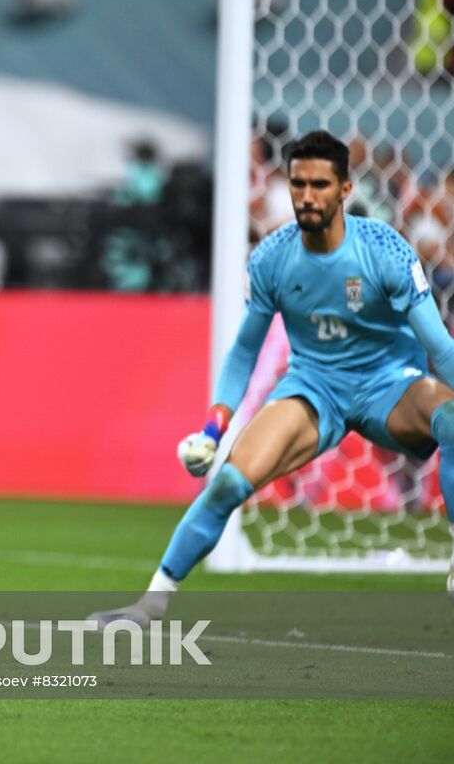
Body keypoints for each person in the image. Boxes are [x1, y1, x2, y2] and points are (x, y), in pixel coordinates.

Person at [93, 130, 454, 625]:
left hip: (389, 385)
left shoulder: (386, 252)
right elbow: (243, 350)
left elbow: (440, 347)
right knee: (226, 485)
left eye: (320, 185)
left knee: (450, 418)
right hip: (314, 389)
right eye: (298, 183)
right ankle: (150, 605)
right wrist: (213, 428)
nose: (307, 196)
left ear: (345, 190)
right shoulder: (271, 259)